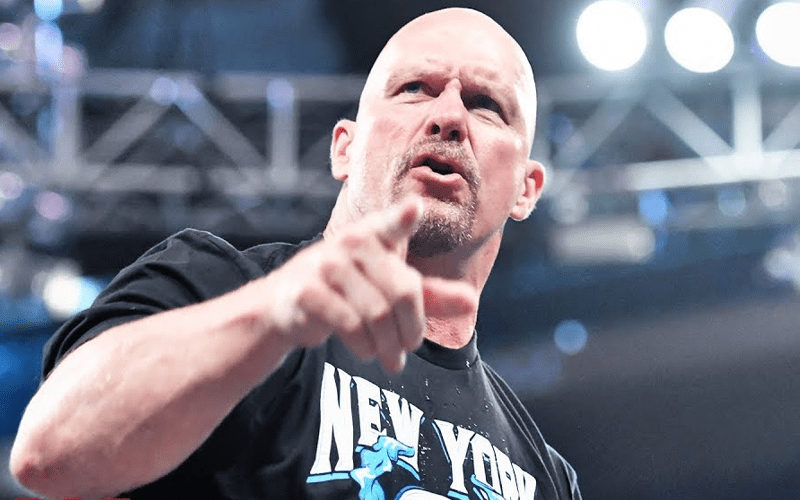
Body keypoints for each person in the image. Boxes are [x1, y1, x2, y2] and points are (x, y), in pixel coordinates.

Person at [10, 7, 582, 500]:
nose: (448, 117)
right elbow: (51, 449)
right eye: (414, 89)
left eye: (485, 104)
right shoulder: (216, 286)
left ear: (526, 189)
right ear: (344, 149)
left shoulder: (544, 474)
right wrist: (271, 315)